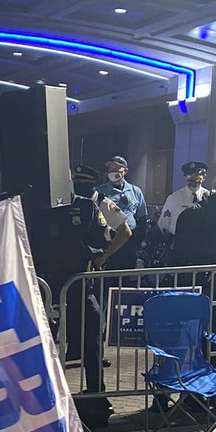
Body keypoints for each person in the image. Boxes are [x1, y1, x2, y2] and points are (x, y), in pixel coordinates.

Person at [67, 163, 132, 415]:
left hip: (92, 275)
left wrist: (103, 257)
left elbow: (125, 231)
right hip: (71, 273)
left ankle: (97, 389)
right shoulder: (69, 204)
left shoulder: (103, 203)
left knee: (94, 329)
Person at [96, 156, 147, 270]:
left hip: (130, 241)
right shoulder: (100, 191)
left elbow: (142, 218)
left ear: (125, 171)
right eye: (110, 168)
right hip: (109, 240)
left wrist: (138, 243)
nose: (113, 170)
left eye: (117, 167)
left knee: (126, 277)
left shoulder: (135, 191)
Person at [158, 161, 212, 259]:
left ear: (204, 177)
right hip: (180, 247)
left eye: (196, 175)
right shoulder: (175, 198)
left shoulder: (209, 198)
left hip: (202, 249)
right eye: (189, 175)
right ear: (185, 177)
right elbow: (163, 224)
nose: (193, 178)